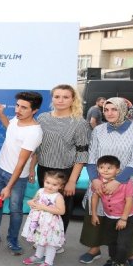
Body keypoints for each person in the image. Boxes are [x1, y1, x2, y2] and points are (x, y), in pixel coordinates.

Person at [79, 97, 133, 266]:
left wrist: (117, 181)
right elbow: (92, 157)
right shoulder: (99, 130)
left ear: (124, 110)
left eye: (114, 109)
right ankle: (94, 248)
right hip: (100, 180)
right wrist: (94, 179)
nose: (109, 113)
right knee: (97, 212)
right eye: (106, 109)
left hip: (128, 181)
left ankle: (129, 253)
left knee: (127, 216)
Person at [0, 91, 43, 256]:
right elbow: (10, 127)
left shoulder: (34, 132)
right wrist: (0, 115)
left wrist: (9, 186)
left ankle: (12, 240)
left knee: (15, 209)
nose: (18, 110)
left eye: (24, 108)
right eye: (18, 106)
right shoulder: (17, 119)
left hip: (17, 177)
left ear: (34, 110)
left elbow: (20, 163)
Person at [29, 84, 89, 251]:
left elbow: (82, 154)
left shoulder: (79, 123)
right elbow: (37, 148)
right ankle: (43, 238)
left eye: (65, 97)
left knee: (61, 209)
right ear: (52, 98)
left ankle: (57, 242)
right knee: (44, 206)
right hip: (43, 170)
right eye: (57, 96)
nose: (60, 100)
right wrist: (31, 169)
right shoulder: (42, 118)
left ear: (72, 100)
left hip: (65, 172)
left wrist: (72, 181)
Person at [90, 155, 133, 266]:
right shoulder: (98, 182)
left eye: (109, 168)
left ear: (117, 170)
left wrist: (124, 219)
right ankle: (113, 259)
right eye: (101, 167)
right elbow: (95, 197)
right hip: (110, 216)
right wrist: (94, 214)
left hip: (126, 217)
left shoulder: (126, 182)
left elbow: (129, 201)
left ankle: (119, 263)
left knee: (122, 243)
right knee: (112, 241)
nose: (105, 170)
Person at [20, 170, 66, 266]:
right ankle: (38, 256)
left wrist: (43, 207)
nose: (50, 186)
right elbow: (34, 200)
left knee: (50, 242)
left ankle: (48, 263)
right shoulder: (40, 191)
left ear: (61, 186)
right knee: (40, 239)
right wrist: (31, 202)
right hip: (39, 221)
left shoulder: (58, 197)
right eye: (48, 183)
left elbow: (61, 211)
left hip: (51, 224)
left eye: (54, 184)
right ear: (44, 181)